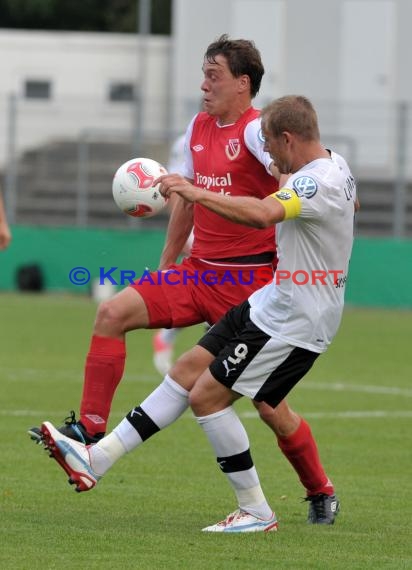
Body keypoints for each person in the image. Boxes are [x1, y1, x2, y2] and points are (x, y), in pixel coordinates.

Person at [33, 38, 339, 523]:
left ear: (243, 83)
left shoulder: (259, 134)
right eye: (203, 73)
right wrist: (167, 262)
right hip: (197, 273)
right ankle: (89, 437)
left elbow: (291, 183)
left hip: (249, 285)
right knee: (112, 312)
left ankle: (319, 489)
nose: (203, 84)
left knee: (268, 405)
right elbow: (186, 200)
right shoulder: (198, 127)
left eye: (214, 74)